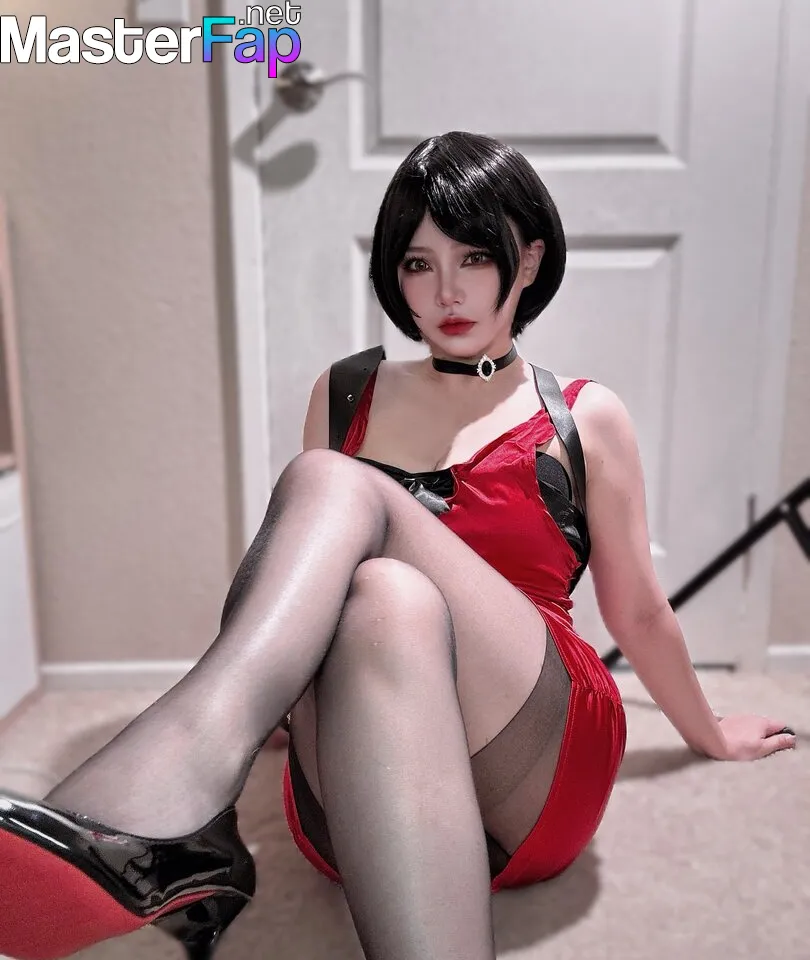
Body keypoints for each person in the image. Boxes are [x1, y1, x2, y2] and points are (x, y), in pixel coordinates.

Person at [0, 131, 796, 960]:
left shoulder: (583, 415)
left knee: (331, 481)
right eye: (418, 263)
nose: (445, 291)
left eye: (474, 257)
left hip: (534, 755)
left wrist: (709, 733)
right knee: (386, 596)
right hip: (364, 773)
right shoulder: (346, 393)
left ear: (527, 260)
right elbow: (299, 578)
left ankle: (184, 782)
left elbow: (638, 613)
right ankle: (197, 783)